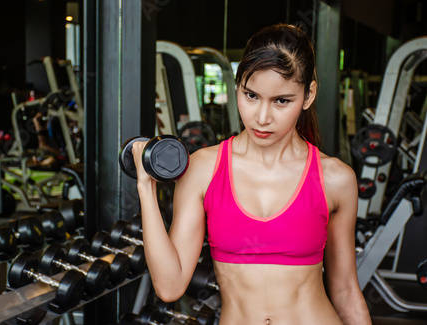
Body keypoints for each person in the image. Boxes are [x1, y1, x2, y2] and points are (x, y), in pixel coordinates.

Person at [132, 24, 371, 324]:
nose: (262, 117)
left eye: (281, 101)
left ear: (308, 95)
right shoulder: (204, 169)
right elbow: (169, 286)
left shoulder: (335, 179)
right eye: (251, 95)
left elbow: (347, 291)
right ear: (237, 87)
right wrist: (145, 186)